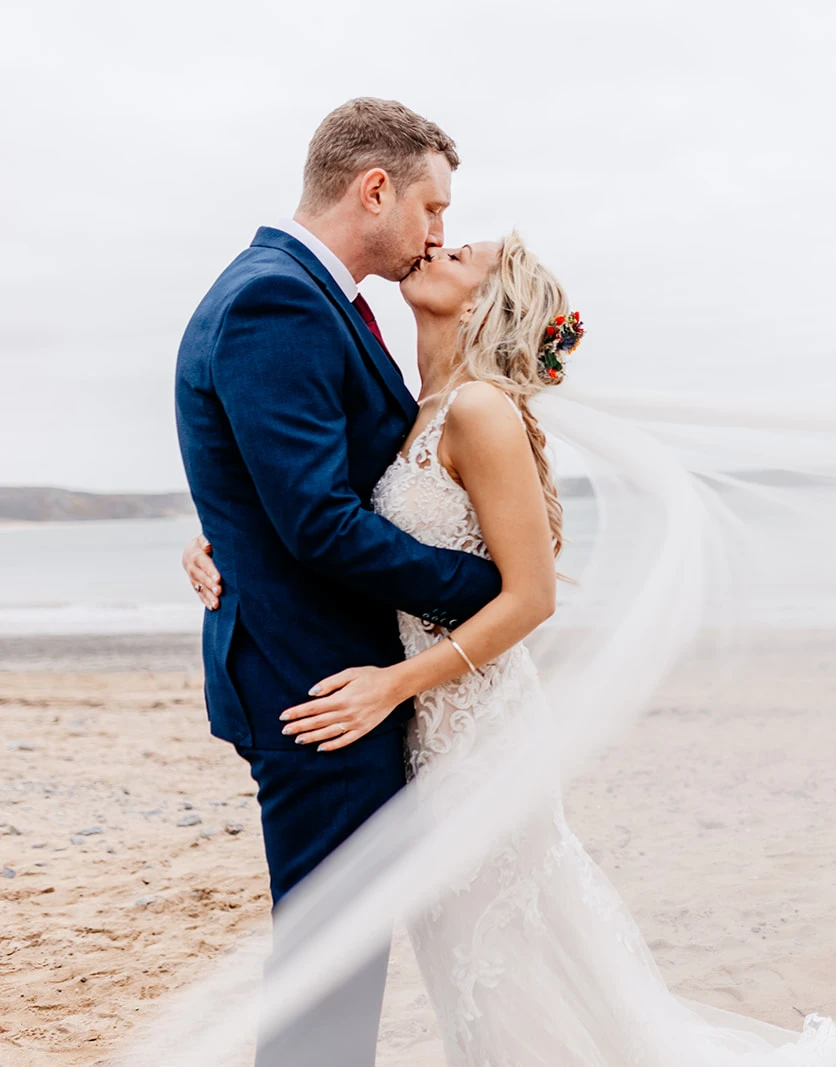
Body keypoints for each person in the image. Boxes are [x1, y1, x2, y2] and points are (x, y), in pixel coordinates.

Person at [183, 225, 836, 1065]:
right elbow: (316, 499)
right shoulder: (410, 410)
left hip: (467, 713)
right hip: (427, 717)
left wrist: (399, 682)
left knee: (503, 932)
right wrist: (223, 541)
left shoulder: (479, 408)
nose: (439, 240)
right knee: (463, 942)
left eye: (463, 245)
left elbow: (531, 599)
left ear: (490, 297)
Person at [172, 97, 500, 1067]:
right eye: (432, 209)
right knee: (329, 971)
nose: (438, 232)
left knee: (335, 955)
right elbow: (317, 517)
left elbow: (296, 480)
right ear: (374, 188)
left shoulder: (299, 295)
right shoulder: (277, 298)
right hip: (320, 688)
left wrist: (222, 529)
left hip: (317, 667)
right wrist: (482, 584)